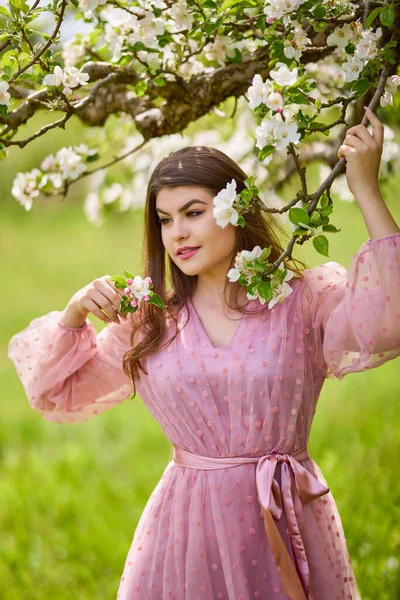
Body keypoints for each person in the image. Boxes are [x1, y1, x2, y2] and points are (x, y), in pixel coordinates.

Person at [8, 108, 400, 600]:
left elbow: (389, 321)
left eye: (193, 212)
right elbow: (54, 393)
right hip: (187, 531)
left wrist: (365, 185)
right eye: (165, 220)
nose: (177, 233)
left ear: (237, 211)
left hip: (285, 514)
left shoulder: (301, 302)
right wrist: (73, 315)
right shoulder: (150, 321)